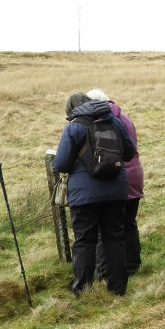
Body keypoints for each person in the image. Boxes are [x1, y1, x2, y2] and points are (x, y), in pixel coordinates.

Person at [54, 93, 136, 296]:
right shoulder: (115, 122)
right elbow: (129, 152)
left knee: (84, 241)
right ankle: (118, 289)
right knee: (114, 238)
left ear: (71, 109)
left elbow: (61, 164)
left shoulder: (73, 127)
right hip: (116, 190)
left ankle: (83, 289)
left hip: (83, 196)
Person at [86, 88, 144, 277]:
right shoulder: (124, 117)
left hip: (117, 177)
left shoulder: (103, 122)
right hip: (135, 174)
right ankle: (132, 264)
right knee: (129, 223)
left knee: (107, 229)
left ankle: (104, 272)